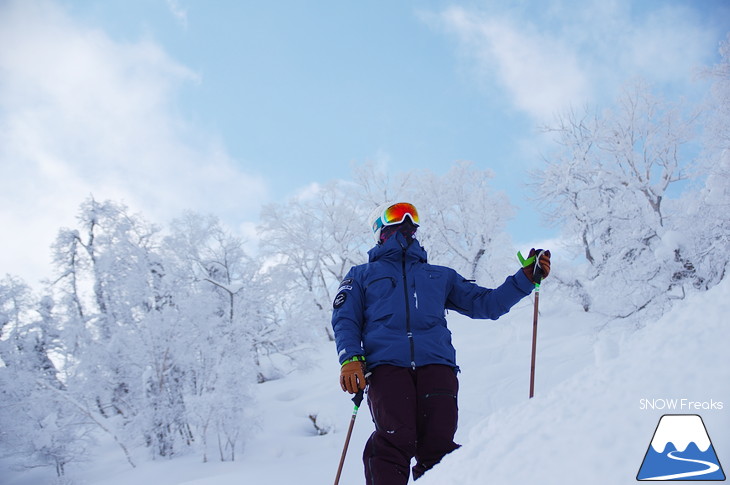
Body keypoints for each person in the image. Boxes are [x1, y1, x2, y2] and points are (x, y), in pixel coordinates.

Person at [331, 202, 551, 484]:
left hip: (437, 367)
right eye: (397, 214)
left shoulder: (439, 275)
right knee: (395, 439)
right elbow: (345, 318)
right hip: (387, 368)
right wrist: (350, 358)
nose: (407, 221)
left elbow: (487, 304)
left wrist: (524, 279)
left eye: (412, 216)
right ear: (379, 228)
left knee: (439, 445)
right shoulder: (361, 275)